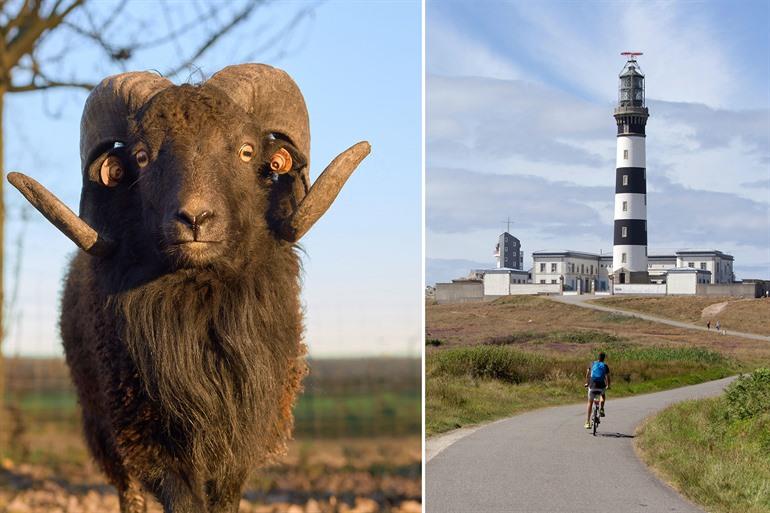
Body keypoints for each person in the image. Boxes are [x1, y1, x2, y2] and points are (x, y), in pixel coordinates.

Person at [584, 352, 610, 429]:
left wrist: (586, 383)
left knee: (590, 402)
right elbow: (607, 377)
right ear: (604, 358)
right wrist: (608, 385)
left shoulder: (592, 363)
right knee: (603, 395)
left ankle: (587, 422)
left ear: (597, 357)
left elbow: (588, 374)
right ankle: (601, 409)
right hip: (601, 386)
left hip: (592, 385)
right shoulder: (605, 366)